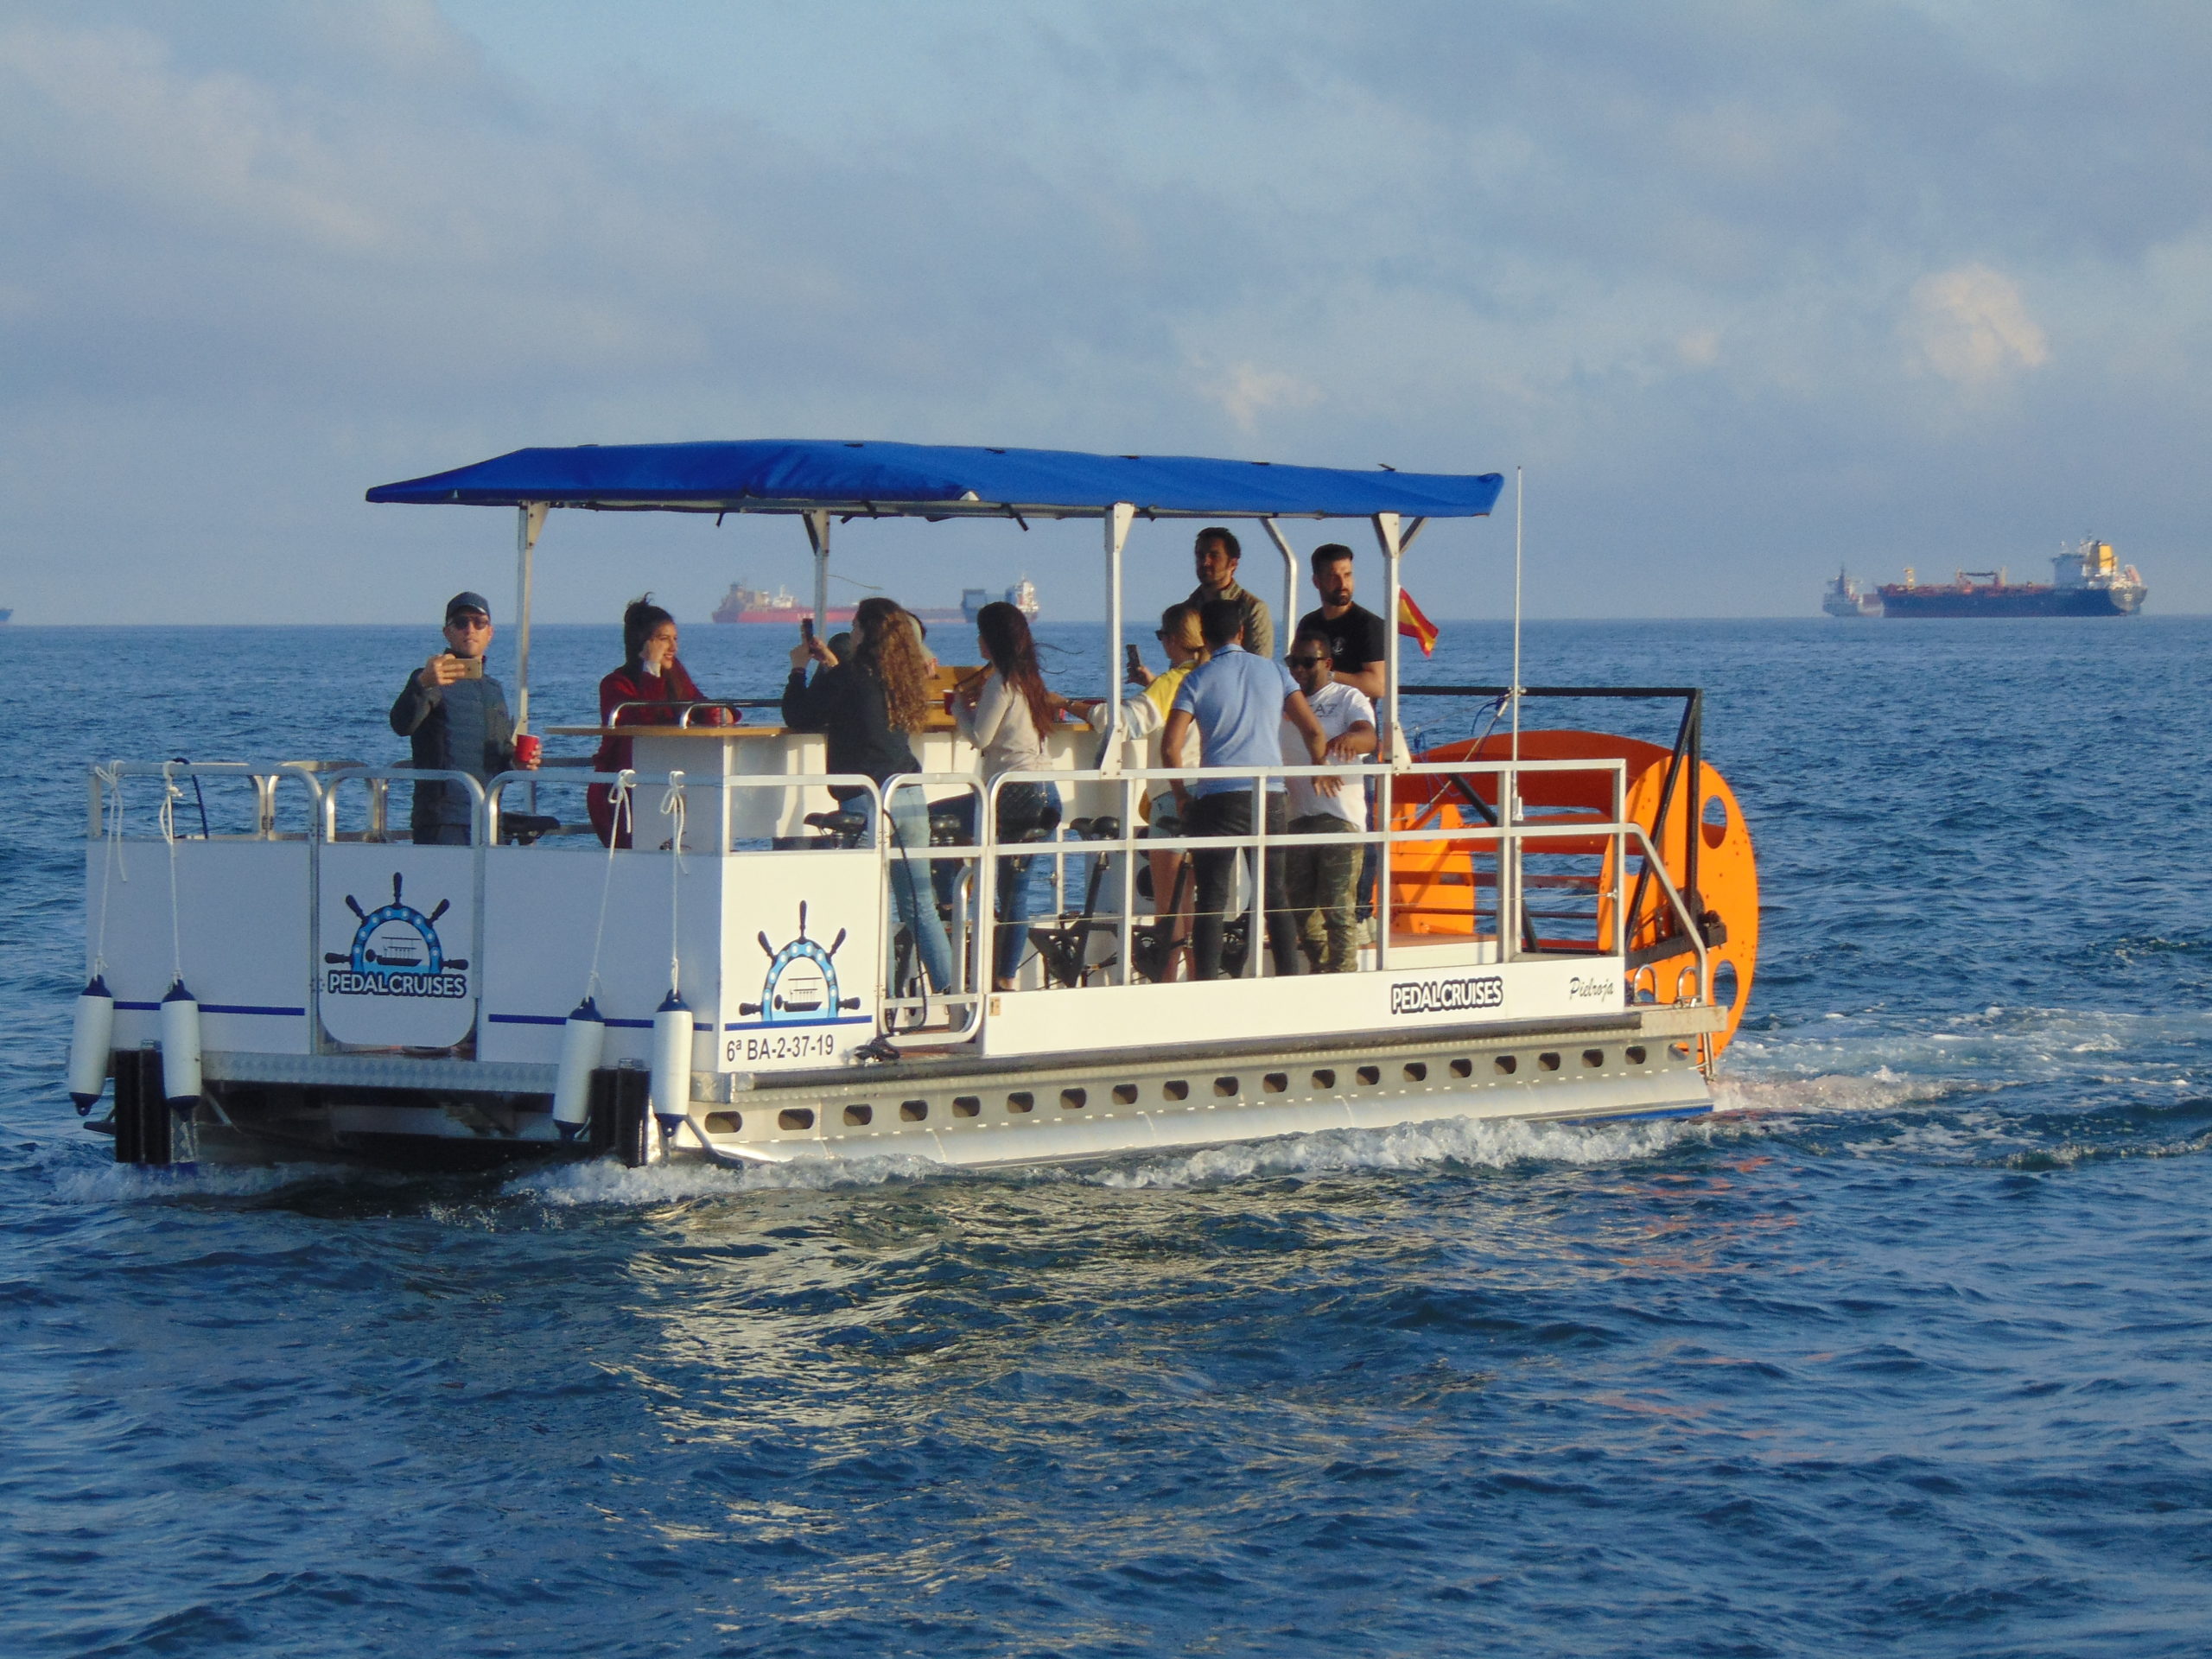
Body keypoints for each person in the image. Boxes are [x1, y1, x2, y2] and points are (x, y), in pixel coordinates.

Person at [782, 596, 955, 998]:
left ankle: (878, 1003)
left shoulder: (849, 676)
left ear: (863, 632)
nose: (852, 632)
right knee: (920, 910)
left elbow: (801, 714)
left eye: (856, 626)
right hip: (909, 796)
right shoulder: (899, 676)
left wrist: (797, 669)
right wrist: (830, 665)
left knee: (864, 907)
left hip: (867, 801)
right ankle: (954, 1000)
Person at [1161, 599, 1329, 979]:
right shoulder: (1273, 672)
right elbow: (1313, 731)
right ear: (1241, 632)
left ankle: (1206, 984)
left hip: (1218, 797)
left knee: (1213, 899)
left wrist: (1181, 793)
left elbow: (1170, 746)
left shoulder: (1197, 679)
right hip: (1268, 794)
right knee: (1274, 894)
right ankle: (1288, 978)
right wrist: (1320, 766)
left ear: (1204, 636)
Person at [939, 601, 1063, 991]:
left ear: (992, 640)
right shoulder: (1029, 680)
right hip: (1046, 795)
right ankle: (1006, 980)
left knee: (931, 823)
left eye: (981, 633)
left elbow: (980, 737)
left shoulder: (1001, 682)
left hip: (1011, 796)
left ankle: (950, 906)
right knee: (1017, 892)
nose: (977, 639)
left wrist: (958, 707)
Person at [388, 590, 537, 845]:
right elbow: (401, 724)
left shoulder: (493, 689)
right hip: (442, 820)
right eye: (461, 623)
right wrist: (423, 684)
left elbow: (498, 755)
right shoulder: (430, 678)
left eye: (479, 623)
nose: (470, 629)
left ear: (489, 633)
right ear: (448, 633)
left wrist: (518, 763)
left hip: (489, 815)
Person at [588, 596, 731, 848]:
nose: (673, 647)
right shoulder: (615, 684)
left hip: (667, 786)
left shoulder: (676, 675)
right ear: (643, 642)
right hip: (622, 792)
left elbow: (700, 704)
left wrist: (723, 714)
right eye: (664, 639)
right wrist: (651, 669)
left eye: (675, 639)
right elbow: (645, 721)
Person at [1280, 626, 1376, 971]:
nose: (1299, 671)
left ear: (1327, 663)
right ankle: (1325, 974)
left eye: (1307, 663)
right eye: (1293, 662)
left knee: (1338, 909)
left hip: (1340, 819)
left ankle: (1344, 979)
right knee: (1302, 913)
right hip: (1297, 817)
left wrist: (1351, 739)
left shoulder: (1347, 698)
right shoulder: (1286, 703)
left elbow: (1368, 736)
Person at [1294, 543, 1388, 699]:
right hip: (1312, 714)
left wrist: (1326, 675)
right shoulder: (1308, 623)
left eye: (1347, 575)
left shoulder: (1369, 625)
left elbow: (1377, 686)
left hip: (1352, 718)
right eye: (1333, 577)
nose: (1343, 584)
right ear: (1316, 582)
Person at [1185, 525, 1274, 661]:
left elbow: (1260, 664)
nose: (1205, 562)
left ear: (1233, 564)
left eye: (1214, 556)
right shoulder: (1188, 609)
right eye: (1200, 556)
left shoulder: (1253, 609)